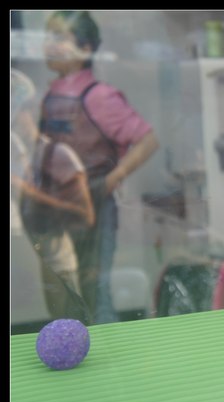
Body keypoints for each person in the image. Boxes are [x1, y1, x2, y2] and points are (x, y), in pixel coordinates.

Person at [40, 11, 159, 324]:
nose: (48, 44)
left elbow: (147, 141)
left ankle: (107, 353)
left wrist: (110, 180)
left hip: (93, 203)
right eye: (48, 36)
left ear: (85, 48)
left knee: (94, 293)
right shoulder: (52, 94)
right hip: (57, 205)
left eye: (59, 37)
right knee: (60, 293)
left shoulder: (100, 97)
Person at [11, 68, 94, 322]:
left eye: (16, 110)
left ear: (30, 112)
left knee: (67, 333)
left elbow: (85, 216)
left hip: (57, 269)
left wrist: (25, 191)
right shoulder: (20, 155)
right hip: (27, 271)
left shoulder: (59, 156)